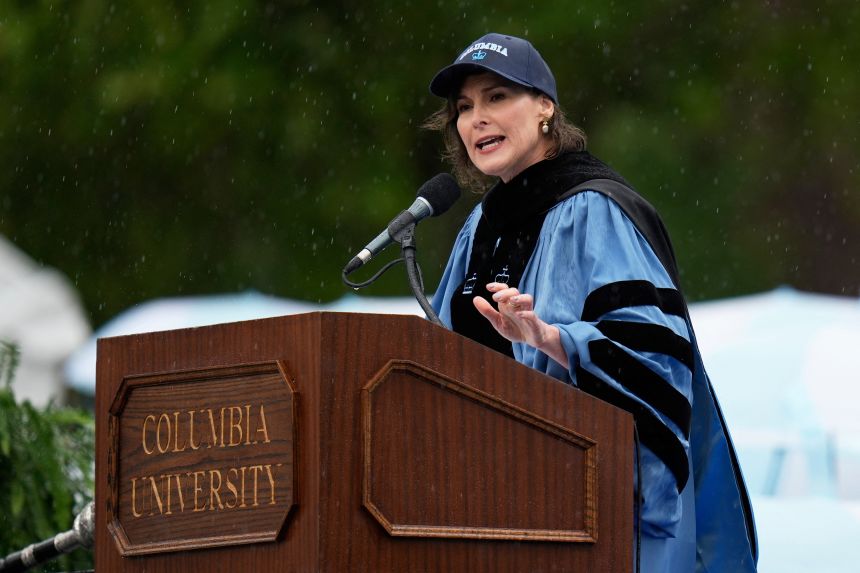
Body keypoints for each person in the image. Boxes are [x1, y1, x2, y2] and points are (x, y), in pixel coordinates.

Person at [426, 33, 758, 572]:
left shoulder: (596, 210)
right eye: (464, 108)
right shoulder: (477, 230)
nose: (476, 118)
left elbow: (656, 362)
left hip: (585, 517)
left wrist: (554, 340)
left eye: (496, 98)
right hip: (483, 509)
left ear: (544, 109)